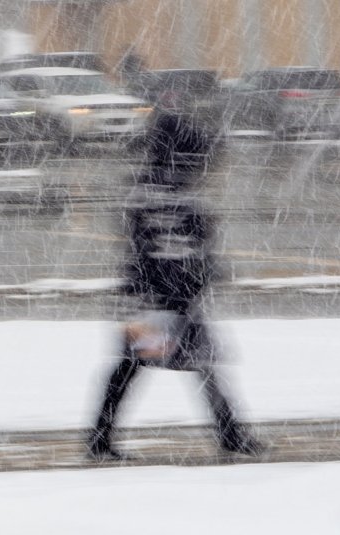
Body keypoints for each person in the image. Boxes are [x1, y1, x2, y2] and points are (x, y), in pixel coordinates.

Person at [87, 112, 263, 461]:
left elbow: (142, 243)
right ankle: (230, 436)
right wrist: (201, 274)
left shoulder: (143, 193)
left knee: (134, 369)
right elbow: (191, 244)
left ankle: (100, 437)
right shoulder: (177, 197)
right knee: (189, 367)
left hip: (147, 298)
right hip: (170, 298)